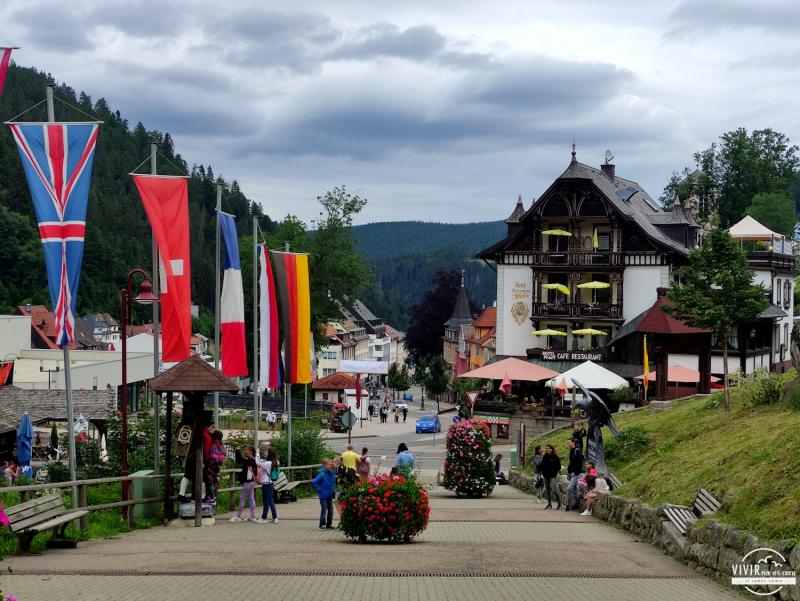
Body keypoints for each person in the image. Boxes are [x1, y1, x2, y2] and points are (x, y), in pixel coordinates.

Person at [230, 447, 257, 522]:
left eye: (247, 450)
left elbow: (239, 460)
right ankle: (253, 516)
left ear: (251, 451)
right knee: (251, 498)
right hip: (251, 482)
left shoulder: (249, 460)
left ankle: (238, 516)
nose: (245, 451)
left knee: (242, 498)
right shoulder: (253, 460)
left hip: (247, 482)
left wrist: (238, 451)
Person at [255, 448, 279, 524]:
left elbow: (258, 462)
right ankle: (270, 517)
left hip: (266, 484)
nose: (265, 453)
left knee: (267, 500)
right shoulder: (276, 462)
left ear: (270, 454)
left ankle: (268, 517)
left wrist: (257, 453)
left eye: (266, 452)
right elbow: (262, 461)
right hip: (271, 483)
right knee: (269, 500)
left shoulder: (268, 463)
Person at [311, 459, 337, 529]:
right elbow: (314, 481)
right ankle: (322, 524)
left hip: (329, 494)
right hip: (323, 495)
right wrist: (319, 489)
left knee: (331, 510)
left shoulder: (331, 472)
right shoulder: (322, 473)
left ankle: (329, 524)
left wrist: (333, 489)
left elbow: (333, 480)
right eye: (329, 464)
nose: (330, 466)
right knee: (324, 510)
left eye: (330, 464)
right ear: (325, 465)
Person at [203, 430, 225, 505]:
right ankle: (214, 497)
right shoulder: (222, 445)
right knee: (216, 481)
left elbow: (211, 454)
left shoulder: (213, 445)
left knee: (210, 481)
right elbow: (223, 455)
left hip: (211, 466)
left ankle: (211, 498)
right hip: (218, 467)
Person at [540, 444, 561, 510]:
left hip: (553, 476)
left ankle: (559, 504)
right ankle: (549, 504)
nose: (548, 449)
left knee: (554, 490)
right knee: (548, 490)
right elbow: (542, 465)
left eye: (549, 448)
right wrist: (543, 472)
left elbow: (558, 467)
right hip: (546, 476)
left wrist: (555, 473)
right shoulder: (545, 456)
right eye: (547, 448)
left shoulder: (555, 457)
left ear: (552, 449)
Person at [565, 438, 584, 511]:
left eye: (569, 443)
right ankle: (576, 504)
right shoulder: (571, 451)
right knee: (574, 490)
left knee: (569, 488)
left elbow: (579, 463)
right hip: (571, 473)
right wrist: (569, 471)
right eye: (567, 443)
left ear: (573, 443)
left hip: (576, 474)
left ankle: (569, 504)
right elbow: (571, 462)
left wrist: (575, 472)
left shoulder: (577, 451)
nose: (568, 444)